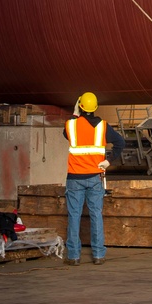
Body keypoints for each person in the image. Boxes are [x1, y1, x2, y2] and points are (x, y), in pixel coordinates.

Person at [63, 92, 125, 266]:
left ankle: (74, 257)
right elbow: (121, 143)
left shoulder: (71, 125)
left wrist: (75, 114)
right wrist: (108, 161)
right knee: (96, 215)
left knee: (74, 216)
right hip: (95, 177)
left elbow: (65, 134)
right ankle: (98, 255)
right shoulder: (103, 127)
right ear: (96, 107)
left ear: (80, 106)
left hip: (74, 178)